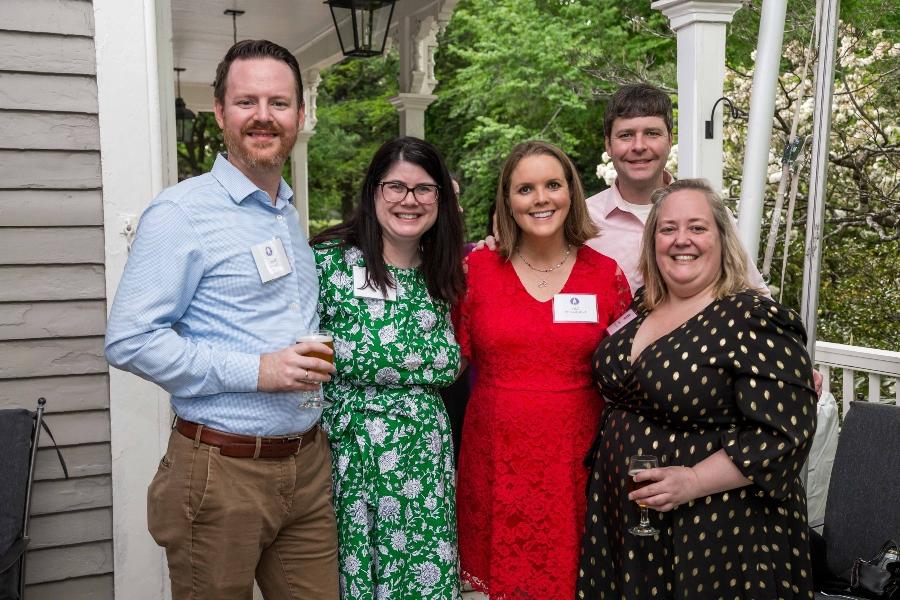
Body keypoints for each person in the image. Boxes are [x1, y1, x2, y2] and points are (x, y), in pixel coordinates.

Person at [105, 40, 339, 599]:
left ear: (300, 116)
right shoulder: (182, 212)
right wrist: (257, 370)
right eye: (247, 101)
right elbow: (130, 340)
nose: (264, 116)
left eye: (279, 103)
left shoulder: (285, 214)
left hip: (305, 467)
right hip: (220, 471)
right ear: (220, 111)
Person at [577, 179, 817, 599]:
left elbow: (785, 433)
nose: (680, 240)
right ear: (652, 242)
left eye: (697, 228)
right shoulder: (640, 307)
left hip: (717, 535)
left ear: (722, 239)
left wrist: (693, 480)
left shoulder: (751, 317)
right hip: (630, 526)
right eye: (667, 229)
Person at [455, 141, 632, 598]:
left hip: (577, 461)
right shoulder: (475, 271)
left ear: (571, 193)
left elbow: (632, 370)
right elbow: (446, 360)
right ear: (507, 201)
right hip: (498, 460)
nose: (540, 199)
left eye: (552, 185)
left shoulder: (604, 275)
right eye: (525, 188)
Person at [311, 137, 466, 600]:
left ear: (441, 198)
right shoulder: (327, 263)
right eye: (395, 186)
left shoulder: (445, 273)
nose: (409, 200)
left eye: (424, 189)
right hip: (351, 463)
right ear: (373, 191)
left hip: (425, 470)